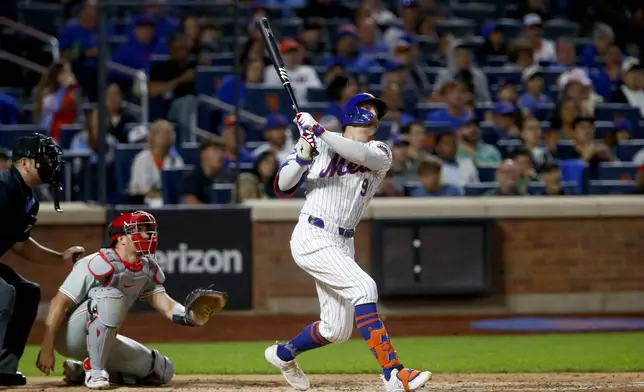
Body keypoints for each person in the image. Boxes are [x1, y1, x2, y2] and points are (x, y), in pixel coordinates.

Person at [268, 93, 432, 391]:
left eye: (376, 112)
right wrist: (303, 156)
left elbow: (358, 155)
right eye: (367, 109)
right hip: (312, 234)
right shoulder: (317, 144)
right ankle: (393, 373)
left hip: (343, 241)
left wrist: (319, 131)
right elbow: (282, 186)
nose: (373, 116)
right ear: (351, 113)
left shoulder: (379, 150)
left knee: (336, 330)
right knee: (364, 287)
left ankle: (283, 353)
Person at [36, 211, 226, 389]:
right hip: (70, 335)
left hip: (104, 339)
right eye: (138, 230)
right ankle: (95, 372)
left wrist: (188, 316)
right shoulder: (96, 262)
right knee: (110, 296)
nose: (146, 235)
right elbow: (59, 303)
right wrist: (47, 346)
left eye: (148, 230)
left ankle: (80, 370)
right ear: (120, 239)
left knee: (162, 370)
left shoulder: (147, 268)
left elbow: (165, 304)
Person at [0, 134, 84, 386]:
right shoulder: (3, 187)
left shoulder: (28, 199)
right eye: (44, 158)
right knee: (3, 294)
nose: (51, 163)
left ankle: (4, 368)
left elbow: (20, 244)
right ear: (24, 162)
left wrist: (60, 258)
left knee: (28, 292)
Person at [149, 34, 196, 138]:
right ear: (170, 49)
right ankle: (188, 141)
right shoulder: (161, 68)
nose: (182, 51)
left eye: (184, 48)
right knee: (188, 102)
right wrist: (180, 80)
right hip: (170, 107)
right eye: (177, 48)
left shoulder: (195, 67)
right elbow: (153, 90)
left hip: (198, 106)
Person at [129, 120, 185, 206]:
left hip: (171, 203)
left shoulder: (176, 159)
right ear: (152, 136)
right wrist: (160, 196)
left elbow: (179, 186)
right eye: (160, 133)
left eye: (167, 133)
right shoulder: (142, 158)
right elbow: (140, 189)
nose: (164, 136)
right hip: (145, 202)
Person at [263, 39, 322, 105]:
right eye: (287, 53)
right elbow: (271, 94)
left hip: (304, 108)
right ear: (280, 55)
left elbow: (316, 91)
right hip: (283, 108)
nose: (291, 56)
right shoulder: (272, 71)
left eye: (294, 53)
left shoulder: (308, 70)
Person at [34, 61, 79, 142]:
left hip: (68, 133)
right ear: (57, 74)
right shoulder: (45, 92)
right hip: (48, 133)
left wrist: (72, 87)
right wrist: (64, 88)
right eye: (65, 72)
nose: (68, 75)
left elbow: (76, 106)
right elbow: (54, 106)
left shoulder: (71, 90)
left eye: (69, 72)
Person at [181, 137, 235, 204]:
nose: (220, 154)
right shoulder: (191, 179)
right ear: (203, 153)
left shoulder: (228, 177)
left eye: (222, 150)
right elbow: (190, 203)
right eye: (215, 150)